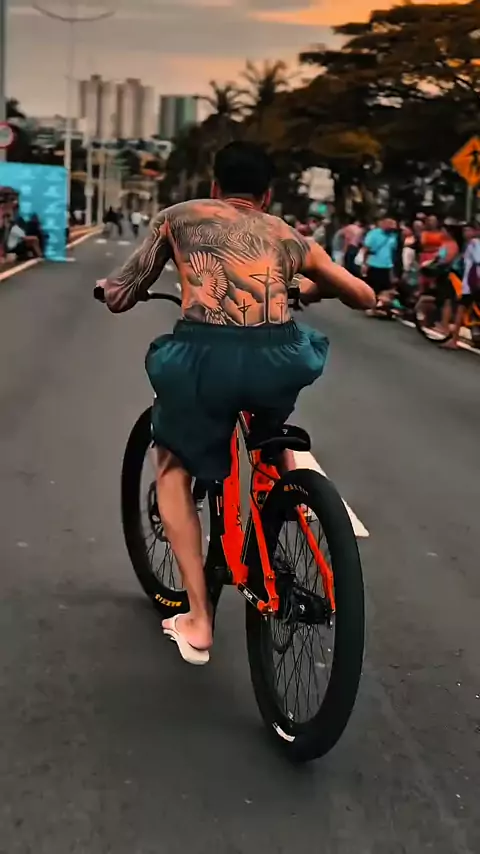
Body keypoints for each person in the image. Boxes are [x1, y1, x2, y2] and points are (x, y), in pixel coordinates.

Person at [99, 141, 375, 664]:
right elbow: (364, 296)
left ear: (214, 187)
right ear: (267, 196)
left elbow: (122, 293)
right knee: (268, 416)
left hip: (206, 360)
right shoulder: (289, 236)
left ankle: (199, 621)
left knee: (172, 467)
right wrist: (309, 289)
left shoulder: (177, 218)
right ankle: (286, 492)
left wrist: (109, 288)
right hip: (280, 359)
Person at [442, 222, 480, 350]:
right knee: (462, 308)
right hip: (471, 282)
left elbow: (477, 260)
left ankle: (454, 340)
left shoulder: (474, 243)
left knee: (461, 308)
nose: (466, 233)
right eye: (465, 231)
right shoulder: (468, 244)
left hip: (472, 283)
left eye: (469, 230)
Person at [360, 216, 399, 300]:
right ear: (384, 224)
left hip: (387, 266)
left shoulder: (393, 236)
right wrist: (364, 264)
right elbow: (366, 249)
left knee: (385, 290)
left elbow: (393, 251)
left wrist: (394, 267)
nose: (392, 229)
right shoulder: (373, 234)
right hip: (373, 265)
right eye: (390, 226)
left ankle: (381, 304)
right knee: (373, 288)